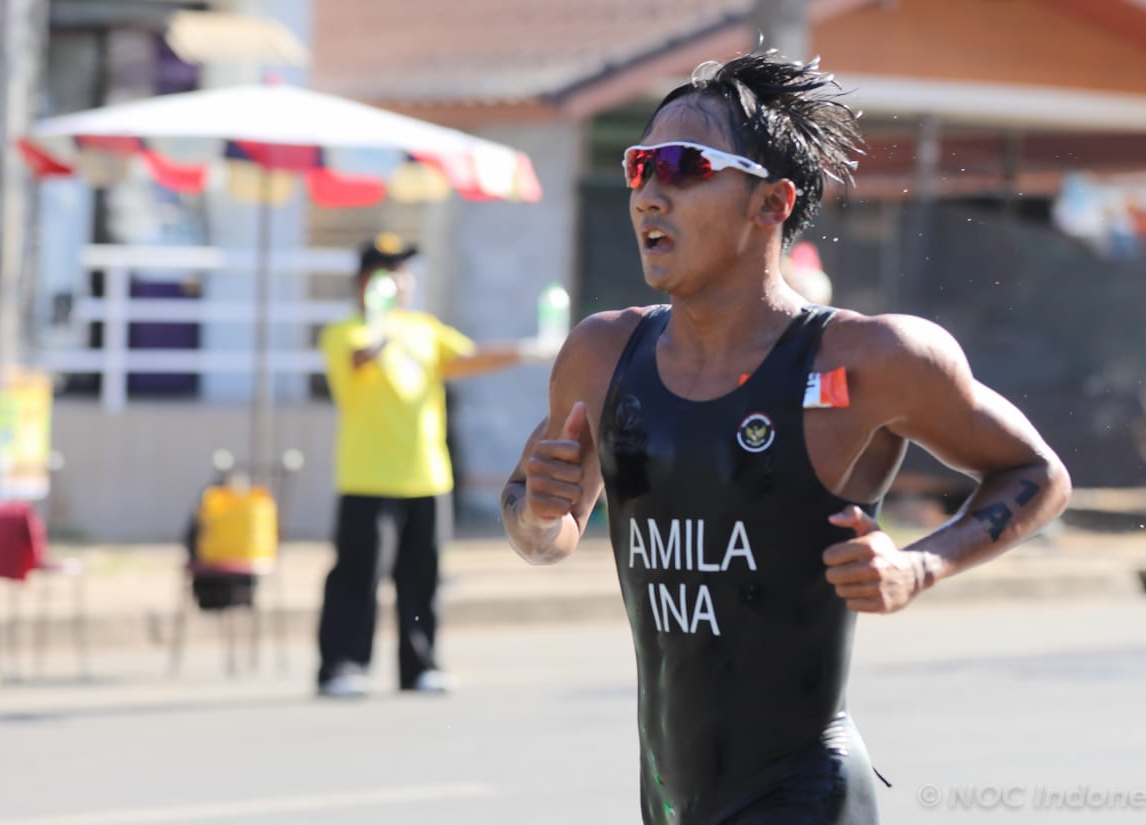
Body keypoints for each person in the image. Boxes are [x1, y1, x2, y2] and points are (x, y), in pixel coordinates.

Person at [500, 52, 1071, 824]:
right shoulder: (603, 356)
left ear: (771, 202)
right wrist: (539, 511)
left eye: (685, 167)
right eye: (640, 166)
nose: (649, 194)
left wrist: (918, 566)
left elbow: (1037, 472)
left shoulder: (870, 358)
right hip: (669, 798)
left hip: (804, 794)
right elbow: (543, 533)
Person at [318, 232, 554, 698]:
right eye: (391, 274)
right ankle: (343, 665)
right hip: (368, 478)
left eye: (405, 273)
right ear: (366, 281)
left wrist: (530, 349)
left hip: (427, 476)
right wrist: (379, 327)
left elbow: (467, 358)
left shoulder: (423, 329)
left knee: (422, 578)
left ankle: (420, 665)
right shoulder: (346, 331)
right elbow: (359, 360)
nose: (402, 282)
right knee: (357, 577)